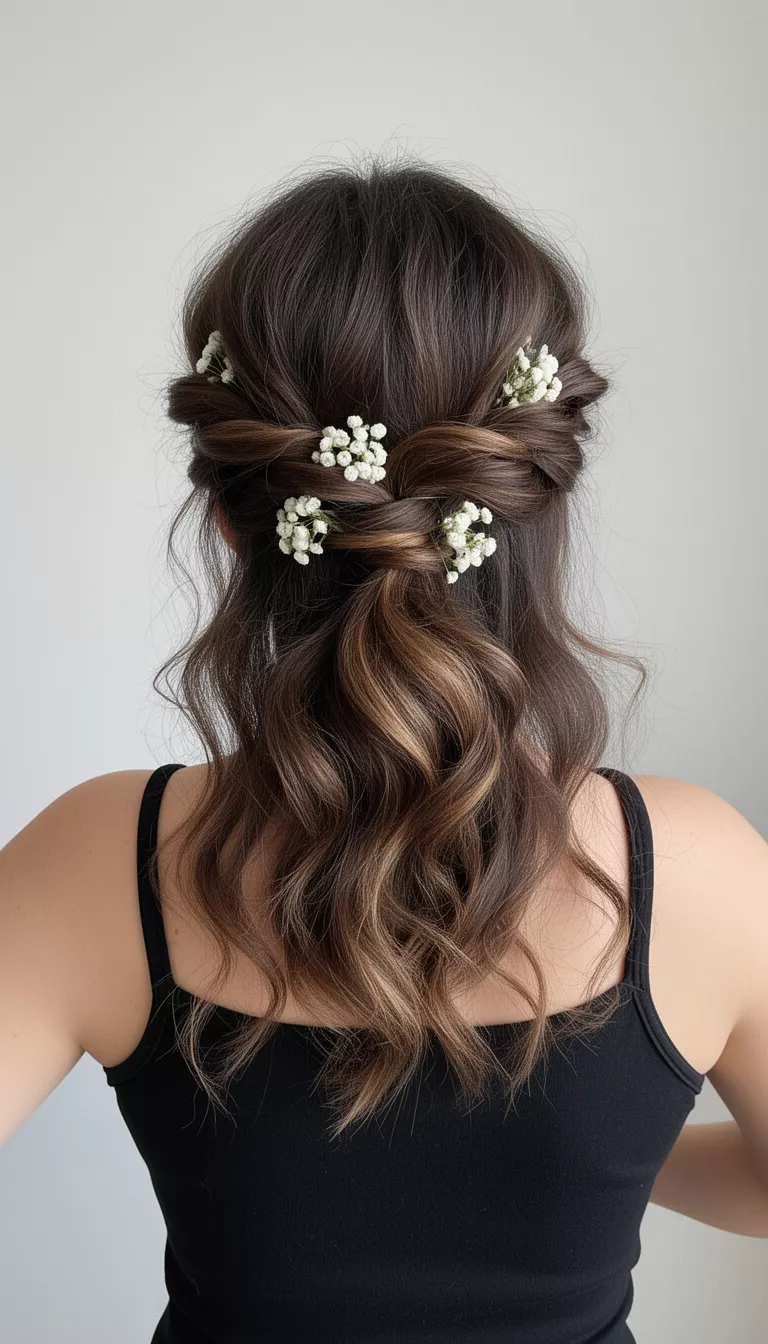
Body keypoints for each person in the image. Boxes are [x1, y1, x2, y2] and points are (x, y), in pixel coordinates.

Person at [1, 159, 767, 1344]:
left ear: (229, 516)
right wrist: (625, 1157)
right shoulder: (699, 865)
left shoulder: (100, 858)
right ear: (533, 500)